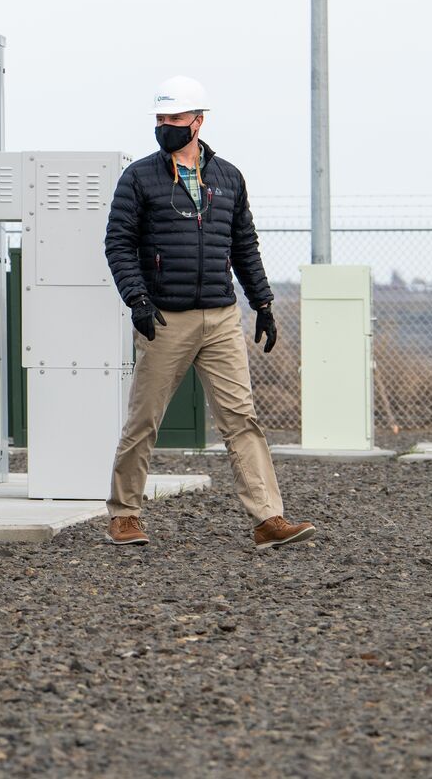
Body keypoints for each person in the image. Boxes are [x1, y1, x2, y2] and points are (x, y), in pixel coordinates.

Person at [102, 76, 316, 549]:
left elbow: (243, 245)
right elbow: (117, 243)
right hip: (165, 318)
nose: (165, 127)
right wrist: (136, 298)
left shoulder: (229, 177)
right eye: (159, 119)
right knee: (145, 418)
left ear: (198, 121)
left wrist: (262, 302)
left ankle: (268, 519)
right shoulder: (139, 177)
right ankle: (123, 515)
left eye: (174, 119)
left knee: (242, 418)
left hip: (221, 318)